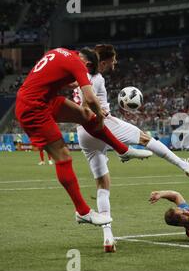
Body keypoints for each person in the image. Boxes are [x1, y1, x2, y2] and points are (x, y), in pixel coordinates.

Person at [73, 44, 189, 252]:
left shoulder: (79, 77)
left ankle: (108, 237)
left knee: (102, 184)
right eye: (113, 60)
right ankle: (183, 165)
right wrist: (100, 113)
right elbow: (87, 104)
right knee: (144, 138)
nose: (115, 63)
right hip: (101, 125)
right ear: (104, 61)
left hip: (83, 134)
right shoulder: (97, 79)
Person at [15, 47, 152, 226]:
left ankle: (123, 150)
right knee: (63, 156)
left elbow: (53, 76)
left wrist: (91, 112)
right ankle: (83, 212)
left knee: (85, 116)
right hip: (33, 108)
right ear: (87, 64)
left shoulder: (62, 52)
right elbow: (91, 98)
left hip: (41, 99)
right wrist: (101, 118)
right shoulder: (78, 64)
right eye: (87, 72)